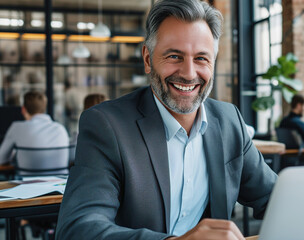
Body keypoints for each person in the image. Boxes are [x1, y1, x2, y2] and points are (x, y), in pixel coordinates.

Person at [55, 1, 277, 239]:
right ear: (148, 59)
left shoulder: (229, 120)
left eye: (201, 58)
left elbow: (275, 198)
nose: (189, 73)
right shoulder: (106, 125)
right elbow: (77, 229)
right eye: (174, 56)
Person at [0, 91, 69, 165]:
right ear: (44, 109)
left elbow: (1, 159)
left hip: (27, 176)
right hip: (60, 176)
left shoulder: (17, 127)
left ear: (23, 110)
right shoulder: (61, 129)